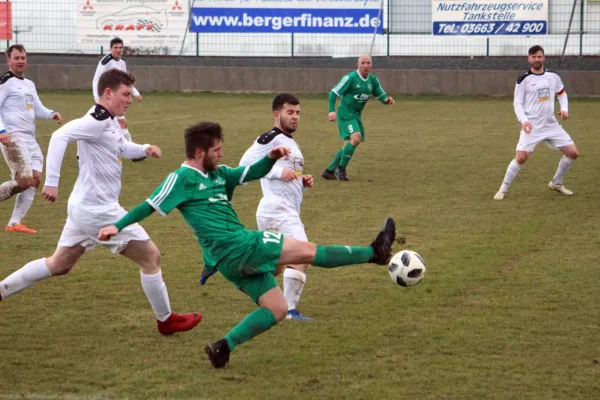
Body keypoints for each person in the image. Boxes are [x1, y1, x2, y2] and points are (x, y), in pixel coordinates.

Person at [97, 121, 397, 368]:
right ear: (199, 152)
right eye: (216, 150)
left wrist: (270, 158)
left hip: (227, 261)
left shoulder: (218, 173)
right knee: (306, 251)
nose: (221, 153)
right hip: (239, 245)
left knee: (277, 308)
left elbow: (249, 173)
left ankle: (223, 346)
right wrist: (118, 226)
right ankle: (375, 253)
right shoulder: (181, 178)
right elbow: (149, 206)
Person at [0, 69, 202, 336]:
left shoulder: (108, 121)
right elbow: (61, 136)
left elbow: (120, 148)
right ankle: (166, 320)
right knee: (151, 256)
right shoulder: (96, 120)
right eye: (125, 94)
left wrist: (143, 149)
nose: (129, 99)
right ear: (109, 93)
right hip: (98, 210)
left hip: (83, 207)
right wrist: (52, 180)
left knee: (59, 264)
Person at [238, 93, 314, 321]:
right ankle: (289, 310)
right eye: (290, 112)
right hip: (278, 209)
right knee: (302, 254)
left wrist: (302, 182)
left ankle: (236, 265)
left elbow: (288, 179)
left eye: (298, 113)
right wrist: (277, 171)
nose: (295, 117)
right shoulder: (270, 138)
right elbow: (244, 166)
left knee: (276, 265)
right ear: (276, 114)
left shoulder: (290, 142)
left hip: (278, 209)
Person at [494, 45, 579, 200]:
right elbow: (517, 103)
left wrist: (564, 109)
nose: (537, 59)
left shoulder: (553, 77)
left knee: (573, 153)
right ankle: (502, 189)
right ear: (529, 59)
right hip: (532, 126)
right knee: (521, 157)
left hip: (551, 125)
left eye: (539, 56)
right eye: (533, 57)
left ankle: (557, 183)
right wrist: (524, 121)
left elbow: (561, 93)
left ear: (544, 58)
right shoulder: (523, 79)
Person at [0, 44, 62, 233]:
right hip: (13, 137)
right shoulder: (5, 82)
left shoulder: (29, 84)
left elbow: (37, 108)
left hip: (30, 139)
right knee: (24, 180)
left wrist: (51, 113)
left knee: (35, 179)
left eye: (23, 58)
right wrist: (1, 130)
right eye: (16, 58)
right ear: (8, 60)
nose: (20, 61)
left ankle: (14, 223)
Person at [322, 54, 394, 181]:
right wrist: (331, 111)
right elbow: (333, 93)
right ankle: (341, 170)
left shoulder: (373, 80)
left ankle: (329, 171)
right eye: (363, 63)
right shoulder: (350, 78)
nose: (366, 66)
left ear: (371, 65)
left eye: (368, 63)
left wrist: (387, 100)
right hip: (345, 113)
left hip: (356, 115)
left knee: (347, 145)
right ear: (358, 64)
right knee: (356, 138)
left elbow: (380, 94)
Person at [91, 37, 142, 146]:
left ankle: (128, 147)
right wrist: (98, 98)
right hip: (106, 97)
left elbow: (125, 80)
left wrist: (135, 93)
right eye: (115, 48)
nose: (118, 50)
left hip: (115, 96)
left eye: (120, 47)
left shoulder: (122, 62)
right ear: (110, 49)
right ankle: (129, 147)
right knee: (116, 123)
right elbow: (96, 80)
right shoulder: (106, 61)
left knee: (118, 123)